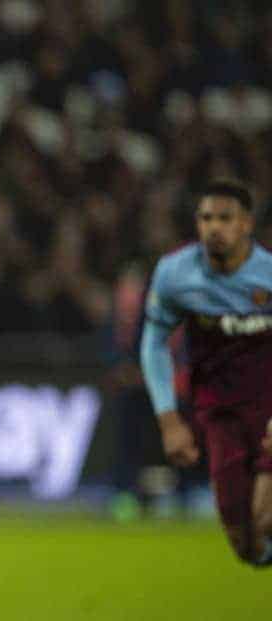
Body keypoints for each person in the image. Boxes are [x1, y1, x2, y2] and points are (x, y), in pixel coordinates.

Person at [141, 180, 272, 566]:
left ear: (246, 224)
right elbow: (153, 343)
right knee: (244, 542)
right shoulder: (176, 274)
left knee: (265, 519)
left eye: (225, 218)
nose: (214, 227)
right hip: (221, 414)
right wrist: (169, 422)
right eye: (206, 218)